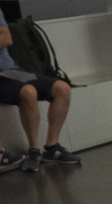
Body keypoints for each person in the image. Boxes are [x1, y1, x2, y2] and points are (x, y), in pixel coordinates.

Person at [0, 21, 78, 173]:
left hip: (10, 70)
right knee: (28, 92)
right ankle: (33, 151)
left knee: (62, 88)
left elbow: (6, 38)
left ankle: (51, 147)